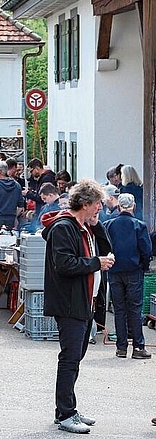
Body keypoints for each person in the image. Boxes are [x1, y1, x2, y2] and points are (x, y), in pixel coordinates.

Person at [41, 179, 115, 434]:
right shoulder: (64, 228)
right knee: (70, 359)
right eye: (97, 205)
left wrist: (97, 227)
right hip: (70, 303)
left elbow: (105, 249)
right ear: (84, 204)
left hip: (84, 302)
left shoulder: (84, 227)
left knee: (75, 358)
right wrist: (96, 263)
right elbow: (64, 265)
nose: (100, 210)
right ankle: (65, 413)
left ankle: (66, 409)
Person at [104, 193, 152, 359]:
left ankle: (121, 347)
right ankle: (138, 347)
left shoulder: (108, 224)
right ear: (134, 207)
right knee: (135, 309)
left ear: (118, 207)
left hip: (114, 271)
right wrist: (143, 267)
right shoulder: (139, 226)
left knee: (119, 309)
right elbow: (146, 251)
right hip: (134, 271)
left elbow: (104, 248)